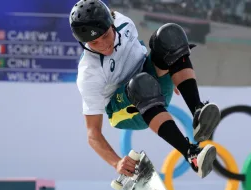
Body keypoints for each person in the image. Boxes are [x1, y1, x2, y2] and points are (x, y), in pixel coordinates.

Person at [69, 0, 221, 179]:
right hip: (125, 112)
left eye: (105, 35)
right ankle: (191, 155)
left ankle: (197, 111)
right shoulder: (89, 73)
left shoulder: (124, 23)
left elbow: (144, 56)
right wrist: (116, 162)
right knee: (140, 84)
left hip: (152, 83)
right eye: (94, 42)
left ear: (112, 24)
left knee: (169, 35)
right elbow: (92, 134)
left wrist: (172, 71)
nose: (103, 45)